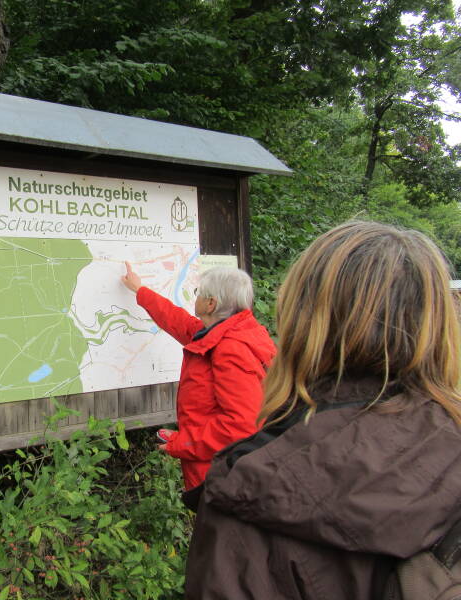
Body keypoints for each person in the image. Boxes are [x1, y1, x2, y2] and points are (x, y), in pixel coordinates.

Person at [184, 221, 461, 599]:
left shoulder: (252, 494)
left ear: (302, 322)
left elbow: (236, 421)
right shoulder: (447, 433)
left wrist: (181, 444)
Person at [121, 262, 276, 490]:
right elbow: (179, 322)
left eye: (198, 292)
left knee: (213, 515)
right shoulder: (226, 333)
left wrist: (180, 443)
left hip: (221, 477)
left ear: (211, 303)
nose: (197, 297)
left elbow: (241, 426)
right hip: (222, 470)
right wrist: (140, 291)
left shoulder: (230, 349)